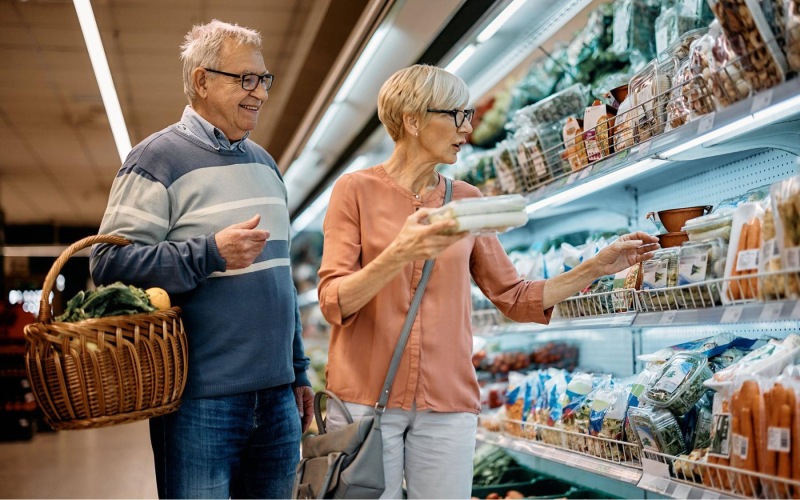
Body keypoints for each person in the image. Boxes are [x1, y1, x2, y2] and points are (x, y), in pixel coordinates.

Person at [317, 64, 659, 499]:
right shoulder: (355, 191)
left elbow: (515, 298)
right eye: (456, 115)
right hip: (366, 399)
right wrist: (400, 253)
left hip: (447, 400)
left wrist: (595, 267)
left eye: (469, 115)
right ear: (412, 119)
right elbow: (333, 301)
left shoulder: (466, 199)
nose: (468, 126)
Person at [90, 19, 313, 499]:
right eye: (245, 79)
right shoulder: (155, 161)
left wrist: (299, 370)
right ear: (201, 81)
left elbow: (282, 283)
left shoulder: (266, 165)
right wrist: (209, 253)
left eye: (263, 80)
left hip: (277, 399)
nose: (259, 93)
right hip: (199, 402)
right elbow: (107, 264)